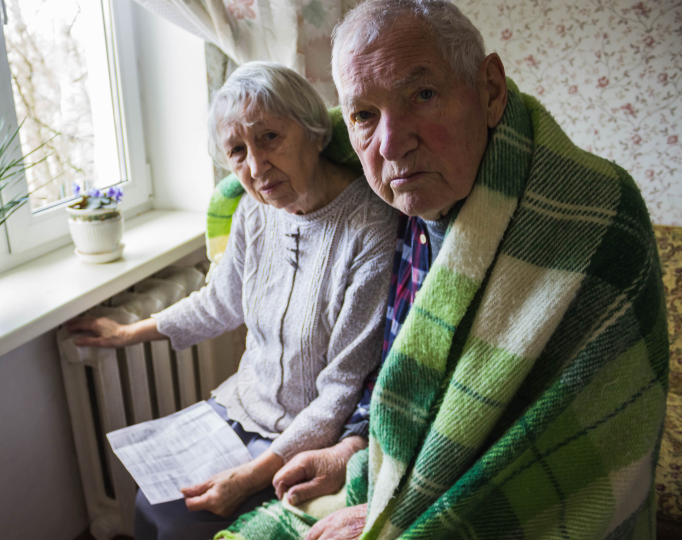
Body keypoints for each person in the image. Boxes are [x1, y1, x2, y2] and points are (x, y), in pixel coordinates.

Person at [216, 1, 668, 539]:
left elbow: (565, 466)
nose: (391, 143)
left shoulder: (594, 216)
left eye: (422, 95)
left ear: (491, 91)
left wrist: (390, 518)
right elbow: (405, 381)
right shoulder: (401, 211)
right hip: (391, 467)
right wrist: (353, 449)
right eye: (363, 115)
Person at [65, 61, 398, 540]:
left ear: (313, 132)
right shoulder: (253, 211)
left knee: (179, 526)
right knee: (146, 499)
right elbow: (220, 301)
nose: (256, 168)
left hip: (306, 434)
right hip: (240, 405)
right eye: (237, 151)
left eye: (269, 138)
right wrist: (126, 333)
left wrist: (246, 480)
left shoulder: (371, 228)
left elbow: (342, 391)